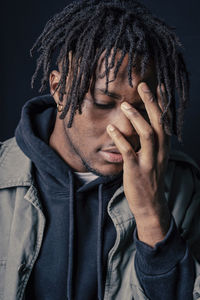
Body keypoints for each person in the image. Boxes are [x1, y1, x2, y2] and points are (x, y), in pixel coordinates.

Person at [0, 0, 200, 299]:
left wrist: (151, 212)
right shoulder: (4, 177)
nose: (127, 128)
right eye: (104, 103)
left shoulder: (186, 187)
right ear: (58, 89)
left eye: (142, 108)